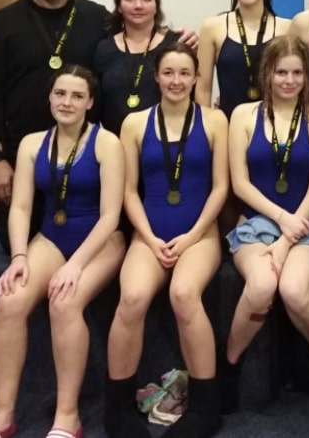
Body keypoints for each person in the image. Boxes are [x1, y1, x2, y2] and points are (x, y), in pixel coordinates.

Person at [0, 0, 197, 252]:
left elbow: (136, 38)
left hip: (86, 161)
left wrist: (178, 38)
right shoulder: (3, 23)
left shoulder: (97, 18)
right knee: (17, 246)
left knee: (87, 243)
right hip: (25, 156)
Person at [0, 66, 126, 438]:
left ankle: (67, 416)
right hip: (52, 237)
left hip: (100, 241)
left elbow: (110, 216)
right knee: (10, 300)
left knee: (64, 303)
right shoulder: (32, 143)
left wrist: (76, 266)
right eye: (60, 94)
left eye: (76, 96)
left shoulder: (106, 143)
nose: (67, 102)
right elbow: (21, 207)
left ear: (90, 102)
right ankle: (3, 416)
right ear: (49, 98)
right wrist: (19, 257)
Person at [103, 43, 229, 438]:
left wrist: (192, 235)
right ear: (156, 77)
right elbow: (128, 191)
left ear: (196, 78)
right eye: (169, 73)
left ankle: (206, 408)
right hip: (149, 233)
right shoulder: (134, 123)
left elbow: (221, 187)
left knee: (184, 295)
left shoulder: (214, 121)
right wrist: (148, 237)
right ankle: (118, 408)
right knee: (132, 298)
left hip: (200, 233)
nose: (176, 81)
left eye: (184, 73)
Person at [222, 35, 309, 412]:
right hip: (257, 223)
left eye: (297, 73)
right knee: (261, 286)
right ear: (267, 73)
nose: (289, 81)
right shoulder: (242, 115)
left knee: (292, 289)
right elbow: (240, 183)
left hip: (308, 225)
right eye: (281, 73)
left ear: (307, 77)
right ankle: (229, 367)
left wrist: (288, 237)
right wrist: (281, 221)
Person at [196, 0, 290, 118]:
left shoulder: (287, 28)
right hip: (227, 127)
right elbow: (203, 89)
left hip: (275, 126)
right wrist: (206, 126)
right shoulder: (213, 27)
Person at [94, 0, 177, 136]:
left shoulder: (175, 45)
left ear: (156, 6)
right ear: (119, 6)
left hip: (165, 141)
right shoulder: (104, 48)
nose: (138, 5)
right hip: (114, 143)